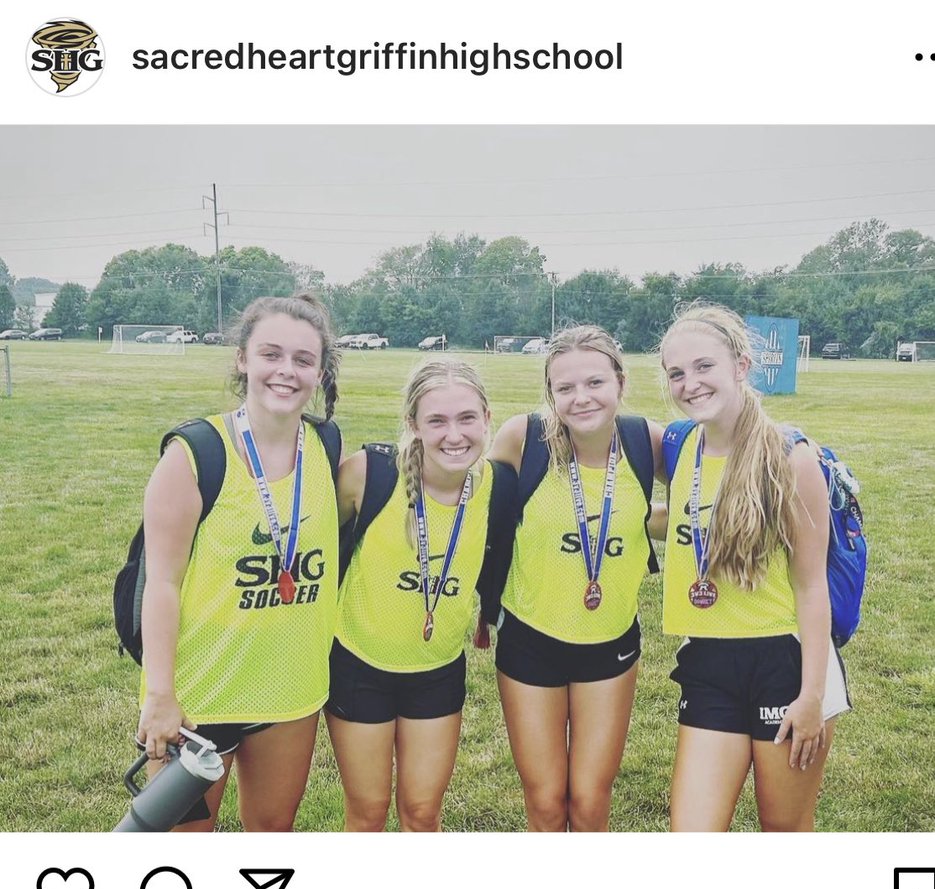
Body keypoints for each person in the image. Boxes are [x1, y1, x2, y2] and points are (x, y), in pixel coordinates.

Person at [136, 293, 341, 831]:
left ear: (320, 372)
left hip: (290, 689)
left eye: (303, 359)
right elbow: (161, 584)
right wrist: (160, 695)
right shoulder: (195, 453)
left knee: (271, 836)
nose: (286, 370)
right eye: (271, 354)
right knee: (179, 848)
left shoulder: (326, 447)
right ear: (242, 358)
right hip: (199, 694)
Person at [658, 302, 850, 832]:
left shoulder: (790, 457)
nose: (690, 384)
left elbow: (811, 585)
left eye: (704, 366)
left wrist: (812, 697)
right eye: (677, 373)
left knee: (783, 832)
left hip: (785, 663)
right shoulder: (678, 444)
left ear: (741, 365)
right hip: (708, 661)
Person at [489, 326, 665, 831]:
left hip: (609, 644)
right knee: (546, 803)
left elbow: (710, 485)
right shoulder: (522, 439)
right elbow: (481, 511)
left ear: (620, 382)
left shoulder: (646, 441)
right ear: (550, 393)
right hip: (530, 641)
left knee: (589, 802)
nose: (581, 398)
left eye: (594, 382)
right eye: (564, 387)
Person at [327, 360, 511, 832]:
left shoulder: (498, 487)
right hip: (359, 665)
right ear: (413, 424)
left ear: (487, 418)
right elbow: (318, 542)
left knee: (423, 813)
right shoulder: (369, 475)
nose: (455, 435)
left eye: (467, 418)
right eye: (437, 420)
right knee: (367, 815)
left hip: (437, 670)